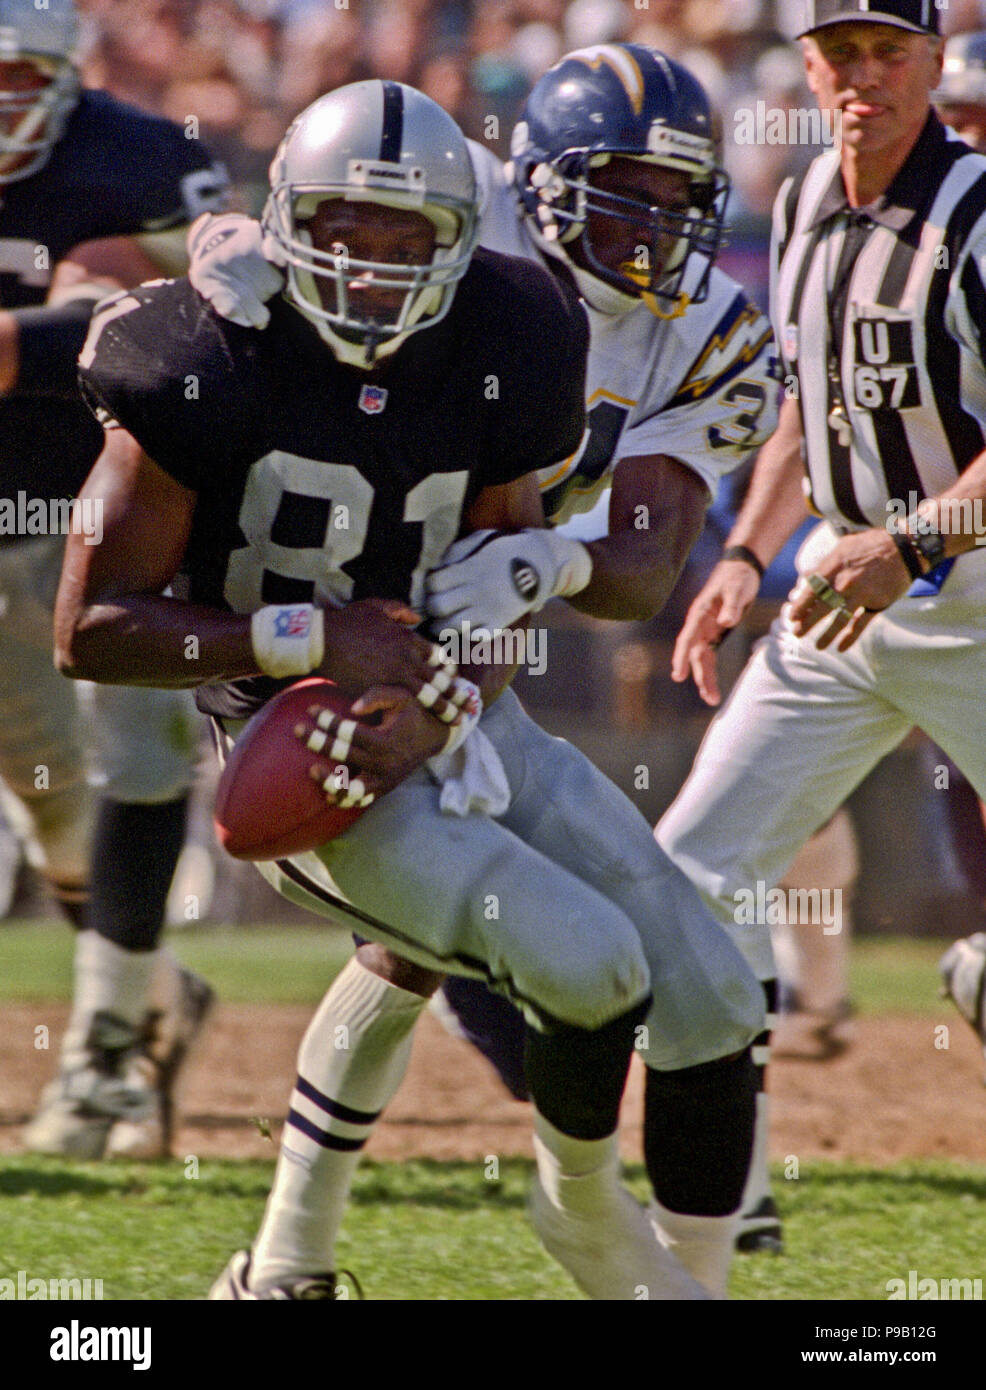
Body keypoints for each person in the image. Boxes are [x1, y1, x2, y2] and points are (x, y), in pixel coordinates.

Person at [63, 79, 763, 1299]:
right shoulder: (195, 346)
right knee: (588, 960)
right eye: (342, 232)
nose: (373, 268)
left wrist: (445, 694)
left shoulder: (518, 329)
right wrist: (303, 638)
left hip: (454, 706)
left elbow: (496, 570)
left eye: (406, 242)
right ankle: (585, 1214)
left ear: (458, 239)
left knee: (705, 993)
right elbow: (91, 632)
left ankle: (681, 1284)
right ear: (287, 223)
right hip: (293, 738)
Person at [653, 0, 986, 1249]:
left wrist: (910, 541)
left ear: (931, 63)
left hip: (967, 594)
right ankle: (723, 1196)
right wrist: (741, 552)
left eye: (885, 52)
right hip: (839, 598)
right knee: (689, 872)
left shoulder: (977, 212)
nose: (860, 77)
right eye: (837, 53)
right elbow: (804, 413)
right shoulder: (798, 206)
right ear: (804, 66)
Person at [0, 0, 227, 1159]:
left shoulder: (147, 153)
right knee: (50, 804)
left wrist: (48, 329)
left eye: (18, 75)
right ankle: (144, 1000)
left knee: (133, 758)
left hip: (122, 502)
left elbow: (212, 308)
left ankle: (105, 1058)